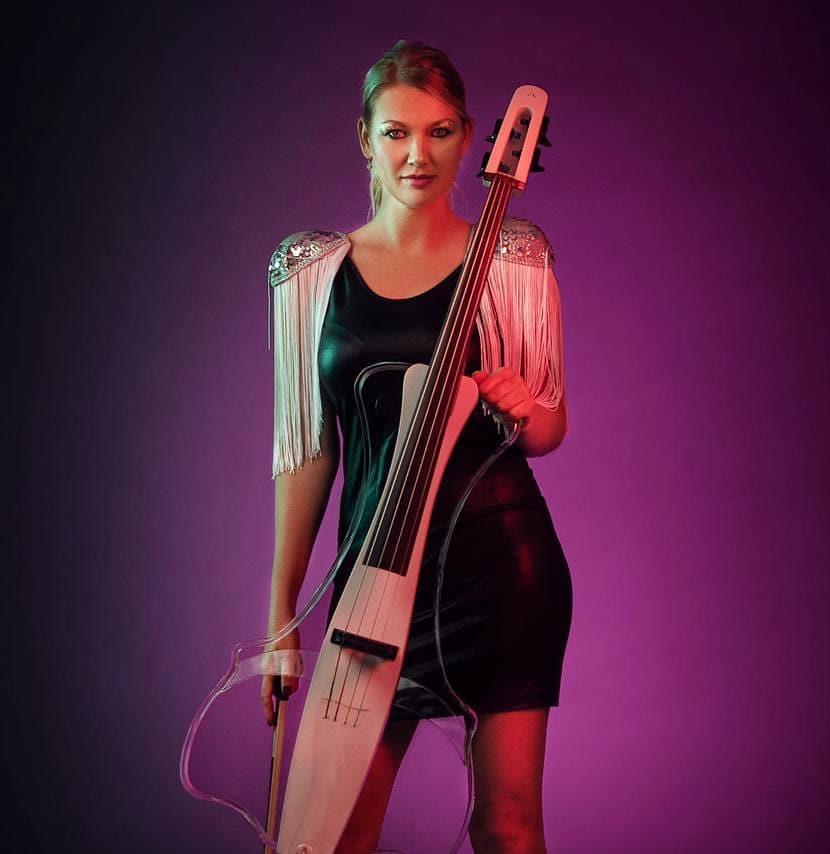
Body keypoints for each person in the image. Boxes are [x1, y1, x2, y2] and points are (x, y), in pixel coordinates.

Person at [261, 40, 572, 854]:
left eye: (439, 133)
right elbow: (307, 452)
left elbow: (548, 431)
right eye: (396, 132)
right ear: (365, 139)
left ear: (469, 138)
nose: (417, 155)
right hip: (374, 577)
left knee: (506, 827)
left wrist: (524, 404)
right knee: (331, 833)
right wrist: (281, 618)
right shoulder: (311, 271)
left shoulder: (512, 256)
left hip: (500, 572)